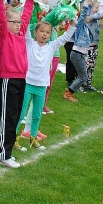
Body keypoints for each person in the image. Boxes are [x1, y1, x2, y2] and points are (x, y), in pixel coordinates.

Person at [0, 0, 34, 168]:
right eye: (14, 22)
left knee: (15, 116)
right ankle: (4, 154)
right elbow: (1, 20)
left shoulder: (21, 33)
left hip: (21, 79)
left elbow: (26, 16)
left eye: (19, 22)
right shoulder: (3, 36)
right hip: (7, 80)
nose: (18, 25)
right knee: (8, 117)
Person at [19, 19, 76, 149]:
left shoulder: (51, 46)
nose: (44, 34)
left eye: (48, 32)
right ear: (35, 32)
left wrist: (72, 24)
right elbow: (25, 27)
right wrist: (28, 12)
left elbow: (65, 37)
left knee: (37, 114)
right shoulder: (29, 43)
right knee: (21, 113)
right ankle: (13, 139)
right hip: (27, 84)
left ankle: (33, 138)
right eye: (42, 31)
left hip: (41, 86)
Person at [63, 0, 93, 102]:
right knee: (83, 77)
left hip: (80, 53)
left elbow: (87, 12)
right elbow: (84, 14)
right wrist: (85, 5)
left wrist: (89, 3)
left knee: (82, 76)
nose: (90, 16)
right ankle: (68, 93)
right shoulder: (79, 25)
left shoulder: (85, 27)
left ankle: (70, 92)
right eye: (88, 15)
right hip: (77, 53)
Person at [82, 0, 103, 92]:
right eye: (96, 8)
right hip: (89, 45)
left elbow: (101, 14)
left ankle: (88, 84)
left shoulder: (94, 16)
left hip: (94, 45)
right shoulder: (89, 17)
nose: (97, 9)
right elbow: (102, 15)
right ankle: (81, 84)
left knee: (91, 65)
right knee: (87, 65)